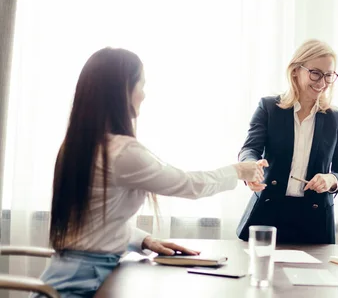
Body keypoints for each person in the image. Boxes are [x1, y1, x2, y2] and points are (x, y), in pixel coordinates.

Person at [35, 47, 264, 297]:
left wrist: (143, 240)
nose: (143, 94)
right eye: (141, 84)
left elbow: (94, 222)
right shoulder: (121, 152)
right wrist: (239, 170)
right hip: (83, 283)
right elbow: (188, 184)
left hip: (67, 275)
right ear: (121, 90)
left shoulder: (78, 144)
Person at [236, 39, 338, 244]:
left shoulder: (337, 118)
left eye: (328, 75)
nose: (322, 82)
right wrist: (251, 167)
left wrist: (330, 180)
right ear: (296, 71)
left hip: (315, 222)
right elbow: (250, 149)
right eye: (315, 73)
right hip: (267, 214)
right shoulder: (269, 108)